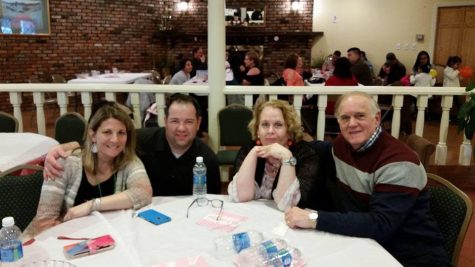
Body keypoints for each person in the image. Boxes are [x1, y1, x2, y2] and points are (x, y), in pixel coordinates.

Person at [284, 92, 450, 266]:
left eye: (360, 116)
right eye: (345, 118)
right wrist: (284, 143)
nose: (352, 123)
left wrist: (314, 218)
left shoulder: (398, 162)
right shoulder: (343, 145)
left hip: (409, 255)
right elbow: (318, 149)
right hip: (365, 247)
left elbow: (380, 225)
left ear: (377, 118)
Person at [43, 94, 221, 196]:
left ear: (198, 123)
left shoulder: (208, 159)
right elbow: (103, 143)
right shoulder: (141, 141)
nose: (181, 128)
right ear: (165, 120)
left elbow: (210, 203)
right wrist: (62, 149)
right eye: (175, 121)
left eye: (188, 122)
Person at [24, 102, 152, 239]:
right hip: (59, 241)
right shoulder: (66, 162)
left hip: (105, 240)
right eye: (107, 132)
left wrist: (91, 205)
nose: (115, 140)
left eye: (121, 133)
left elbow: (143, 193)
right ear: (93, 135)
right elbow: (45, 223)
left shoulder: (129, 161)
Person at [228, 100, 322, 211]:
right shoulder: (249, 150)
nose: (270, 131)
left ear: (289, 130)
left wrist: (287, 157)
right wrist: (254, 152)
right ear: (257, 130)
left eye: (278, 125)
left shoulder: (307, 154)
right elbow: (241, 196)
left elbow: (287, 205)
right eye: (265, 124)